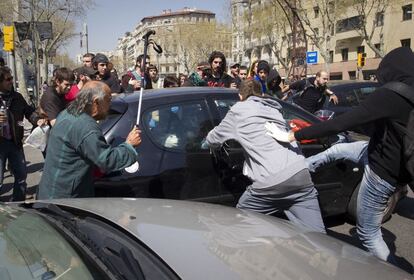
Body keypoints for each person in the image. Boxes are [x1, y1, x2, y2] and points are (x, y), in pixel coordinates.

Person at [265, 46, 414, 264]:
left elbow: (340, 123)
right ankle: (302, 167)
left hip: (381, 172)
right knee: (338, 150)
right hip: (383, 155)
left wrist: (293, 135)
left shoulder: (391, 95)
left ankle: (392, 272)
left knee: (367, 233)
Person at [205, 79, 326, 233]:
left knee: (241, 221)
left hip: (271, 181)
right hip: (301, 174)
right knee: (318, 236)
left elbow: (213, 139)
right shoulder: (274, 110)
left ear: (240, 96)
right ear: (261, 94)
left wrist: (208, 143)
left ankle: (255, 251)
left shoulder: (238, 110)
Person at [37, 81, 142, 199]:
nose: (110, 105)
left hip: (49, 191)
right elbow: (107, 160)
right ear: (96, 102)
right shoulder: (86, 127)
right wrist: (129, 145)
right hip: (64, 200)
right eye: (108, 100)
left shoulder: (67, 113)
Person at [0, 66, 38, 201]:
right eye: (8, 79)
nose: (11, 81)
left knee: (21, 176)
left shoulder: (17, 97)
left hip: (15, 142)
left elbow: (28, 111)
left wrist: (37, 120)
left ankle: (18, 204)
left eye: (11, 78)